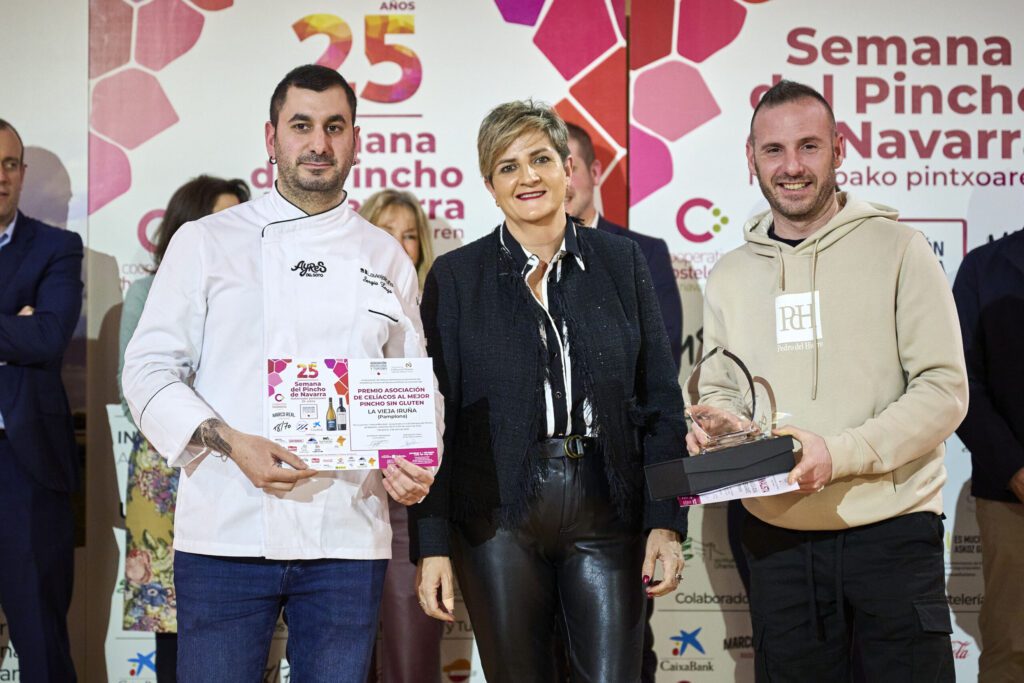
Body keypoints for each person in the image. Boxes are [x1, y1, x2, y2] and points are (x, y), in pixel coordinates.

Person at [122, 65, 439, 682]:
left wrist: (415, 461)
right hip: (226, 531)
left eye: (334, 127)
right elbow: (148, 369)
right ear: (272, 138)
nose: (318, 143)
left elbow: (415, 384)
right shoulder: (206, 242)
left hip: (347, 534)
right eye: (301, 126)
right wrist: (228, 441)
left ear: (356, 140)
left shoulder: (384, 256)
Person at [688, 80, 967, 682]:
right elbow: (722, 388)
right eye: (774, 150)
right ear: (751, 158)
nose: (792, 166)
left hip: (893, 533)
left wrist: (838, 454)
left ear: (839, 149)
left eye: (808, 146)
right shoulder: (731, 274)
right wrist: (719, 424)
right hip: (776, 541)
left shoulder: (901, 249)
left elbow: (943, 390)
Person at [412, 100, 688, 682]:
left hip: (609, 510)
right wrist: (431, 544)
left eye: (540, 159)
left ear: (568, 168)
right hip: (495, 522)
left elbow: (662, 402)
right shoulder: (456, 278)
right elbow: (435, 423)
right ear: (489, 186)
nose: (528, 177)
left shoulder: (622, 261)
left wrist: (667, 521)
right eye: (507, 166)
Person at [116, 175, 249, 683]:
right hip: (163, 473)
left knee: (238, 615)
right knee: (169, 620)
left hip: (238, 464)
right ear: (186, 226)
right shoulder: (147, 292)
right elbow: (135, 390)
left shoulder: (253, 292)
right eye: (218, 219)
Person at [0, 118, 83, 681]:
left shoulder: (57, 247)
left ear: (23, 174)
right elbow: (29, 335)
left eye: (10, 164)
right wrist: (16, 326)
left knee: (42, 645)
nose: (1, 176)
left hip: (24, 468)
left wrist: (32, 332)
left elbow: (50, 336)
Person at [359, 190, 442, 683]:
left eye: (409, 235)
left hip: (413, 504)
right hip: (343, 496)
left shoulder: (439, 311)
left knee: (412, 660)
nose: (398, 244)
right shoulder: (333, 309)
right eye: (387, 231)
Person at [953, 229, 1024, 682]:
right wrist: (1014, 469)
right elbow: (960, 383)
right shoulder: (984, 268)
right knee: (1012, 647)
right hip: (1011, 495)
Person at [564, 122, 682, 369]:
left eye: (571, 168)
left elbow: (664, 353)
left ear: (595, 172)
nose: (563, 183)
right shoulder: (524, 257)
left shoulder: (645, 252)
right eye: (552, 169)